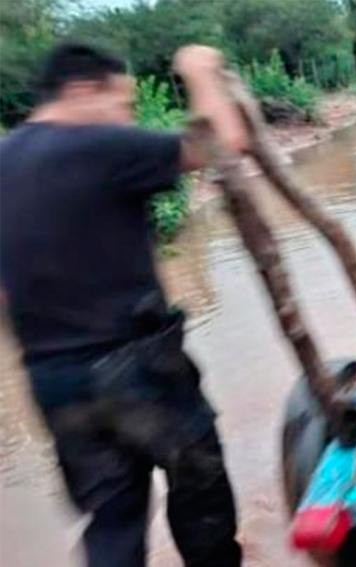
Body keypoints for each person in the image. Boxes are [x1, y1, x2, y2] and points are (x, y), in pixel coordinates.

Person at [0, 42, 248, 566]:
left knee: (112, 520)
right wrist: (198, 71)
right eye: (125, 103)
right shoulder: (94, 144)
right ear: (85, 89)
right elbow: (220, 143)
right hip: (135, 366)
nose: (127, 117)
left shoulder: (6, 161)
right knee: (199, 489)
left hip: (53, 381)